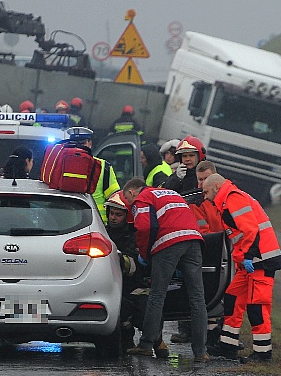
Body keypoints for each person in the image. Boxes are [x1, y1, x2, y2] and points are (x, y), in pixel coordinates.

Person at [121, 177, 209, 362]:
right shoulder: (170, 194)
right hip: (193, 240)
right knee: (197, 298)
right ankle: (201, 351)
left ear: (131, 192)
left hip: (168, 242)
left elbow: (145, 227)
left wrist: (144, 254)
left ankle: (145, 345)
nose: (131, 206)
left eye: (129, 202)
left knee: (157, 294)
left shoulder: (142, 197)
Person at [202, 172, 281, 362]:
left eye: (206, 192)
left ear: (216, 187)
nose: (205, 196)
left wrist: (247, 256)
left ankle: (263, 353)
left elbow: (251, 230)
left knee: (257, 307)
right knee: (232, 298)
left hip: (259, 260)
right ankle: (228, 346)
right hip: (251, 261)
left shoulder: (233, 198)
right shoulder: (228, 200)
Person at [161, 136, 207, 344]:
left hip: (204, 235)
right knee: (182, 282)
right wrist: (174, 180)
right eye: (184, 156)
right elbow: (162, 196)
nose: (187, 160)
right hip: (180, 234)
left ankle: (207, 333)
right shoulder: (176, 177)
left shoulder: (206, 175)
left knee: (201, 285)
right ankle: (185, 329)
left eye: (191, 156)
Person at [104, 191, 144, 350]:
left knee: (140, 306)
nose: (113, 217)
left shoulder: (134, 236)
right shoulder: (103, 233)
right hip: (107, 283)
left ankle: (154, 340)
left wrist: (117, 257)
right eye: (111, 213)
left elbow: (132, 266)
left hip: (130, 284)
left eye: (118, 215)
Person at [65, 126, 119, 221]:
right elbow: (114, 198)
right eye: (76, 143)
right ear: (90, 143)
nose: (79, 146)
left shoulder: (58, 163)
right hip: (96, 224)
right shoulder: (102, 166)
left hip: (67, 223)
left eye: (81, 143)